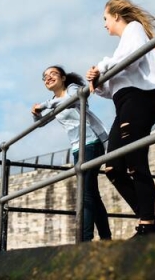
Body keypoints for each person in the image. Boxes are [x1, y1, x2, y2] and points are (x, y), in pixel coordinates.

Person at [86, 0, 155, 237]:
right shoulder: (120, 47)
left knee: (135, 164)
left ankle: (147, 225)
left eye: (105, 19)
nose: (104, 25)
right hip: (124, 104)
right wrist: (97, 78)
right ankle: (149, 222)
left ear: (116, 15)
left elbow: (130, 61)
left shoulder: (134, 30)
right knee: (112, 168)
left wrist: (102, 66)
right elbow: (112, 87)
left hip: (139, 101)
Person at [32, 65, 112, 242]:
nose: (48, 78)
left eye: (53, 74)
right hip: (77, 148)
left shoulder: (72, 89)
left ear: (63, 78)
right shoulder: (55, 101)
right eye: (45, 76)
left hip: (91, 142)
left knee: (85, 193)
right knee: (91, 193)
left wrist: (44, 105)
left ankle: (84, 241)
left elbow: (73, 98)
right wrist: (36, 114)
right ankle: (106, 237)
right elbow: (42, 122)